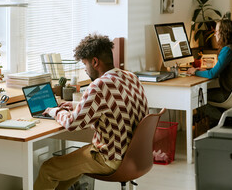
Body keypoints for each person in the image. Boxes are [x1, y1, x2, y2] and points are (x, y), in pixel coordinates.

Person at [34, 34, 149, 190]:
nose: (85, 69)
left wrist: (54, 111)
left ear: (95, 62)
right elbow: (116, 104)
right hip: (135, 156)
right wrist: (76, 104)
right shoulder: (130, 77)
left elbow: (71, 123)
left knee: (48, 169)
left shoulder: (98, 85)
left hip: (109, 158)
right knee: (67, 170)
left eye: (85, 64)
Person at [187, 19, 232, 104]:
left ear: (224, 33)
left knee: (197, 98)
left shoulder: (227, 50)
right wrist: (206, 71)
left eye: (217, 31)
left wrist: (195, 71)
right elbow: (218, 71)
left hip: (229, 94)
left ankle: (222, 117)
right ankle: (224, 116)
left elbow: (212, 74)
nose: (215, 35)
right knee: (201, 95)